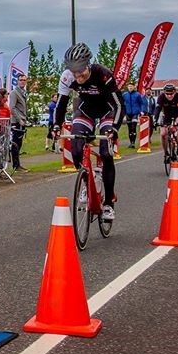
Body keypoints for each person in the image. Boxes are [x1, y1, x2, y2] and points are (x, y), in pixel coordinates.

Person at [52, 43, 123, 221]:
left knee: (106, 154)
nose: (77, 75)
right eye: (73, 71)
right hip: (86, 110)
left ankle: (108, 203)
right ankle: (86, 182)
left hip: (107, 111)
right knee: (75, 148)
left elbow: (119, 105)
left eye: (80, 71)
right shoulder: (67, 77)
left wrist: (114, 128)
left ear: (88, 65)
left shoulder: (102, 74)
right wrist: (56, 126)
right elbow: (61, 104)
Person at [154, 83, 178, 158]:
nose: (169, 96)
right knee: (163, 134)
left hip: (177, 115)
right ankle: (166, 152)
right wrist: (155, 120)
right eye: (167, 94)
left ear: (174, 92)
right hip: (166, 115)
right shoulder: (161, 97)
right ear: (164, 93)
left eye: (171, 94)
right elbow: (157, 109)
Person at [9, 75, 29, 172]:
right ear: (17, 81)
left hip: (22, 121)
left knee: (19, 143)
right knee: (16, 143)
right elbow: (12, 107)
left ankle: (18, 164)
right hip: (17, 122)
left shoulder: (23, 92)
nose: (22, 82)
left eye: (24, 80)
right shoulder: (14, 93)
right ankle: (16, 165)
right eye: (21, 80)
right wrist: (19, 119)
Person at [122, 81, 145, 148]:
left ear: (134, 87)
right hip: (128, 113)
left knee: (133, 127)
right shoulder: (125, 95)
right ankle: (130, 142)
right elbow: (122, 104)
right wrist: (123, 113)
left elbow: (141, 103)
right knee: (129, 128)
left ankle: (133, 143)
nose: (130, 87)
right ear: (127, 87)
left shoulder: (137, 94)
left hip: (135, 113)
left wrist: (141, 111)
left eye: (131, 86)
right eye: (129, 86)